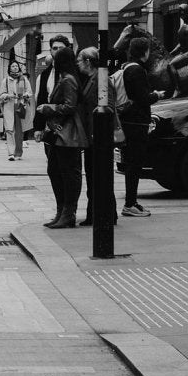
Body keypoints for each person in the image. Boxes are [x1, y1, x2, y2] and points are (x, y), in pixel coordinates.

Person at [39, 39, 87, 229]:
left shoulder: (68, 80)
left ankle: (68, 213)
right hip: (59, 133)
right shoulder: (66, 78)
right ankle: (62, 211)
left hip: (66, 133)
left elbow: (70, 106)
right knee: (55, 170)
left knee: (67, 172)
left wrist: (48, 108)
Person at [113, 29, 156, 218]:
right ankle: (130, 203)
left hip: (128, 121)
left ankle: (132, 202)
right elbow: (142, 97)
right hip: (135, 123)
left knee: (132, 163)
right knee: (134, 164)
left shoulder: (126, 66)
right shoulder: (137, 70)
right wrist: (156, 95)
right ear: (144, 52)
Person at [76, 49, 116, 228]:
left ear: (88, 61)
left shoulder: (101, 79)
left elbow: (109, 106)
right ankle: (98, 212)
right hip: (92, 136)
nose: (78, 63)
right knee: (94, 175)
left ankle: (104, 213)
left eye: (79, 60)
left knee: (99, 175)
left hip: (98, 137)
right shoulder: (92, 79)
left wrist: (101, 131)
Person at [5, 59, 32, 161]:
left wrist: (25, 95)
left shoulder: (24, 79)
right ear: (9, 68)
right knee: (10, 130)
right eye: (13, 66)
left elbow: (30, 92)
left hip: (20, 106)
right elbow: (1, 94)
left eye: (16, 66)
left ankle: (18, 152)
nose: (15, 67)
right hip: (9, 107)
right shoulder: (6, 80)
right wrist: (8, 95)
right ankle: (11, 153)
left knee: (20, 131)